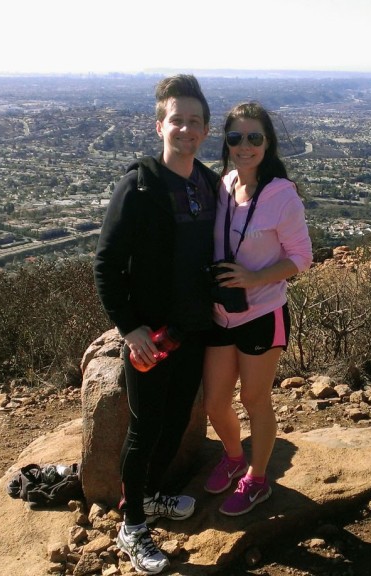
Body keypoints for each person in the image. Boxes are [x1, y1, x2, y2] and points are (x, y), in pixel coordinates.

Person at [92, 74, 219, 575]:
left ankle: (154, 496)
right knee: (145, 430)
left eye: (194, 121)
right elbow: (105, 263)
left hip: (193, 329)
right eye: (176, 120)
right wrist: (129, 327)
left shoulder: (207, 184)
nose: (185, 129)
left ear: (205, 129)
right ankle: (132, 525)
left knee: (175, 420)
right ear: (159, 124)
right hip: (152, 334)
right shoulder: (139, 185)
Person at [202, 102, 313, 516]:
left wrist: (253, 278)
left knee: (254, 398)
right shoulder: (225, 183)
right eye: (235, 137)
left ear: (268, 143)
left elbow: (302, 257)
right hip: (220, 313)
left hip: (263, 313)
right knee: (214, 402)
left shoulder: (282, 195)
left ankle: (258, 479)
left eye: (254, 138)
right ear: (226, 142)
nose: (244, 146)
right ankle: (233, 456)